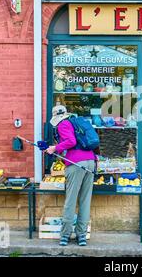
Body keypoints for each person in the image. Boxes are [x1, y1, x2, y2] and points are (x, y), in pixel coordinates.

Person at [45, 105, 96, 247]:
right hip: (90, 162)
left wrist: (54, 148)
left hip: (76, 164)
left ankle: (65, 235)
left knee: (71, 201)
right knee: (85, 201)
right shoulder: (76, 122)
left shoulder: (63, 124)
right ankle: (82, 236)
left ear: (56, 117)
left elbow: (71, 141)